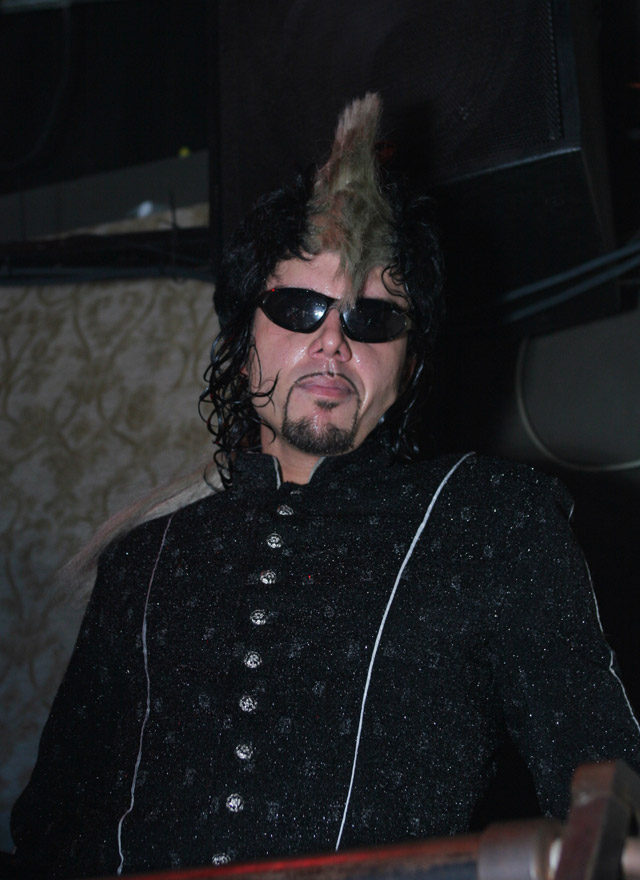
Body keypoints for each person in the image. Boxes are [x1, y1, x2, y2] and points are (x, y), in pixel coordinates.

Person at [9, 94, 640, 879]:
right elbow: (48, 831)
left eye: (373, 319)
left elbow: (607, 793)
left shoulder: (490, 519)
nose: (334, 340)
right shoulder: (141, 561)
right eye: (300, 307)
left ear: (409, 364)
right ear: (242, 340)